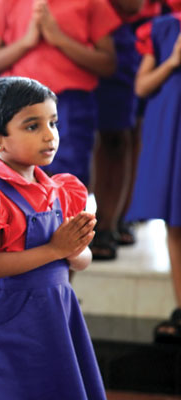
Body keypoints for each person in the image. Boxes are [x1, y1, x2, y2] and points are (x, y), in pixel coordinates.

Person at [0, 77, 102, 399]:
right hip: (11, 316)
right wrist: (55, 249)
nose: (49, 135)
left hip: (57, 311)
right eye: (32, 126)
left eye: (53, 123)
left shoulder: (61, 191)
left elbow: (82, 259)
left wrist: (73, 249)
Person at [0, 0, 120, 188]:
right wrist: (26, 42)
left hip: (71, 103)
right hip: (19, 105)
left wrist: (59, 39)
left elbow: (108, 64)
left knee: (69, 180)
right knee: (19, 180)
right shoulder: (6, 2)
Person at [128, 10, 181, 343]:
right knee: (176, 222)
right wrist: (172, 61)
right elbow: (142, 86)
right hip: (172, 129)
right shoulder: (163, 28)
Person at [90, 0, 145, 260]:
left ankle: (109, 222)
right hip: (64, 30)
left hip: (122, 32)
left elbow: (133, 5)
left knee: (117, 134)